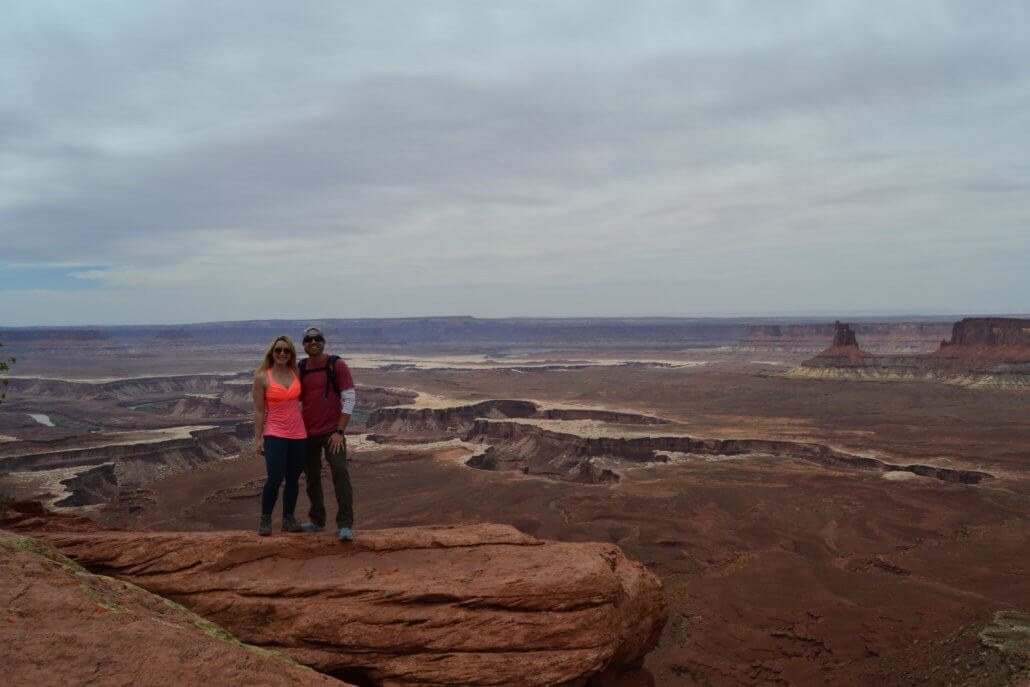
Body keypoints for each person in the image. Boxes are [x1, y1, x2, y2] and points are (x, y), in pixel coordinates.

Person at [297, 327, 357, 541]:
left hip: (333, 432)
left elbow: (349, 398)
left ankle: (345, 524)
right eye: (308, 339)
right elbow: (293, 400)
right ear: (303, 344)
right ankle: (317, 521)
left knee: (340, 472)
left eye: (317, 339)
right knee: (312, 477)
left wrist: (340, 431)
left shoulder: (336, 365)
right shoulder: (301, 367)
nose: (313, 342)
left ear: (324, 342)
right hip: (307, 433)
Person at [252, 335, 307, 536]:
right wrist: (258, 438)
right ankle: (265, 519)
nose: (282, 353)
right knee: (275, 478)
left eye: (286, 350)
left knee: (293, 479)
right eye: (278, 350)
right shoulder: (262, 377)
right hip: (275, 433)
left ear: (291, 353)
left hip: (298, 434)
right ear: (271, 353)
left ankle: (288, 519)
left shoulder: (297, 373)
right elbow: (259, 411)